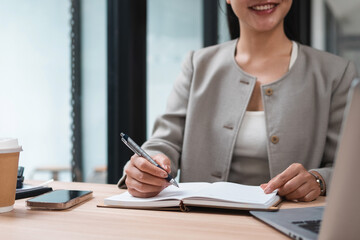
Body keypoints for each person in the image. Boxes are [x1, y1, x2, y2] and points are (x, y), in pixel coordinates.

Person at [118, 0, 358, 200]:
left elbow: (349, 168)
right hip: (199, 225)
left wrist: (319, 180)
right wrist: (145, 167)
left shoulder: (336, 73)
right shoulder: (197, 65)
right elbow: (164, 142)